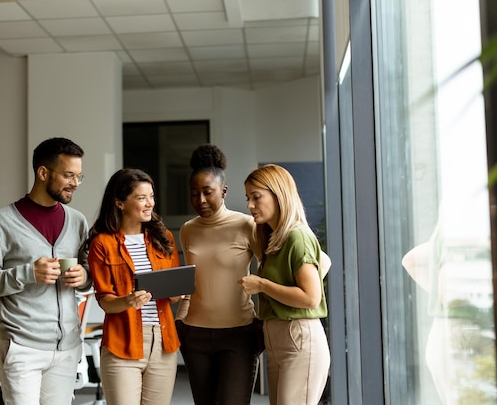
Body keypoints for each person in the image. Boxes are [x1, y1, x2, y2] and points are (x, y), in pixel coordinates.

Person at [0, 137, 91, 405]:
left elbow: (88, 273)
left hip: (67, 347)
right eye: (68, 175)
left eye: (78, 176)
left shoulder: (77, 221)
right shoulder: (2, 221)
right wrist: (27, 274)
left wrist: (84, 278)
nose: (75, 183)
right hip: (22, 347)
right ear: (43, 173)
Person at [174, 143, 263, 405]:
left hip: (238, 334)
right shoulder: (188, 229)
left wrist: (262, 322)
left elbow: (268, 273)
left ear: (223, 191)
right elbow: (191, 280)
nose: (200, 200)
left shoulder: (247, 225)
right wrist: (181, 324)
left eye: (207, 192)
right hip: (195, 334)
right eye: (193, 193)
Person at [87, 168, 181, 405]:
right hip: (122, 343)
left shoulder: (164, 238)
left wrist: (176, 293)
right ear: (119, 203)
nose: (149, 203)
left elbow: (172, 294)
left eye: (151, 196)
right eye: (141, 198)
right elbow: (106, 302)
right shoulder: (103, 244)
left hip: (163, 342)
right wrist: (128, 300)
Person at [239, 163, 330, 405]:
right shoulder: (274, 238)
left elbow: (311, 298)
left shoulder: (296, 236)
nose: (250, 206)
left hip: (299, 338)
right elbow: (325, 262)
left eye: (256, 197)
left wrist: (263, 285)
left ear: (279, 194)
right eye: (248, 198)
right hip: (280, 339)